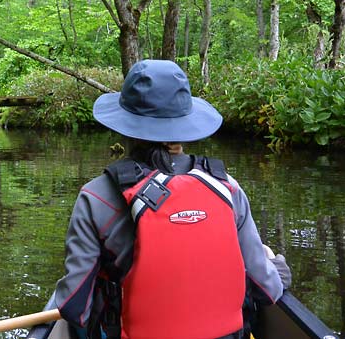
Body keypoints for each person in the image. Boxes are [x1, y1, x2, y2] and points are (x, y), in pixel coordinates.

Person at [41, 59, 291, 339]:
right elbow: (267, 290)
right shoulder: (228, 189)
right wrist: (277, 269)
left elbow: (75, 307)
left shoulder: (95, 197)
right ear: (185, 124)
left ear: (123, 127)